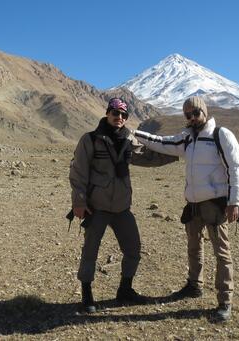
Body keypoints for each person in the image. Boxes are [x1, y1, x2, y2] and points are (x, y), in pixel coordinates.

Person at [133, 96, 239, 321]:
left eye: (195, 113)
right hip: (193, 203)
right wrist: (134, 133)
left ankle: (225, 301)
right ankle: (194, 285)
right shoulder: (187, 139)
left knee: (222, 252)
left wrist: (235, 202)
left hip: (215, 204)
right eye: (188, 115)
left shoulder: (220, 135)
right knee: (194, 247)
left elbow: (235, 168)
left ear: (204, 111)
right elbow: (162, 142)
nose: (192, 118)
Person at [69, 97, 176, 313]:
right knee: (90, 250)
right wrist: (79, 201)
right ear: (107, 113)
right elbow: (78, 171)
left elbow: (147, 157)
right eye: (115, 113)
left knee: (133, 249)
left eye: (124, 115)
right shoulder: (90, 139)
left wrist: (177, 154)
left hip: (122, 207)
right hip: (96, 207)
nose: (119, 118)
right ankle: (87, 295)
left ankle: (125, 290)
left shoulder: (129, 139)